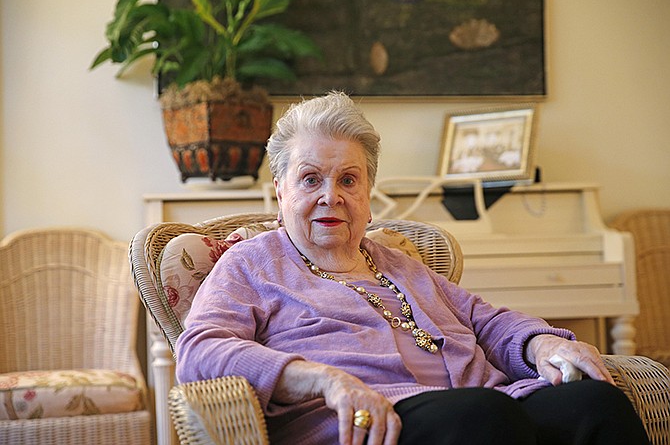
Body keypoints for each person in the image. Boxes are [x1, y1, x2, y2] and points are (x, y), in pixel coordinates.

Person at [175, 92, 649, 445]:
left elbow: (486, 320)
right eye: (310, 179)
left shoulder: (399, 263)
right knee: (478, 417)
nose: (331, 196)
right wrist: (324, 379)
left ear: (367, 194)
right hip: (373, 424)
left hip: (488, 403)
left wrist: (539, 341)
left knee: (595, 403)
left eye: (348, 180)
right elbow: (200, 350)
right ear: (280, 190)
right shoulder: (252, 264)